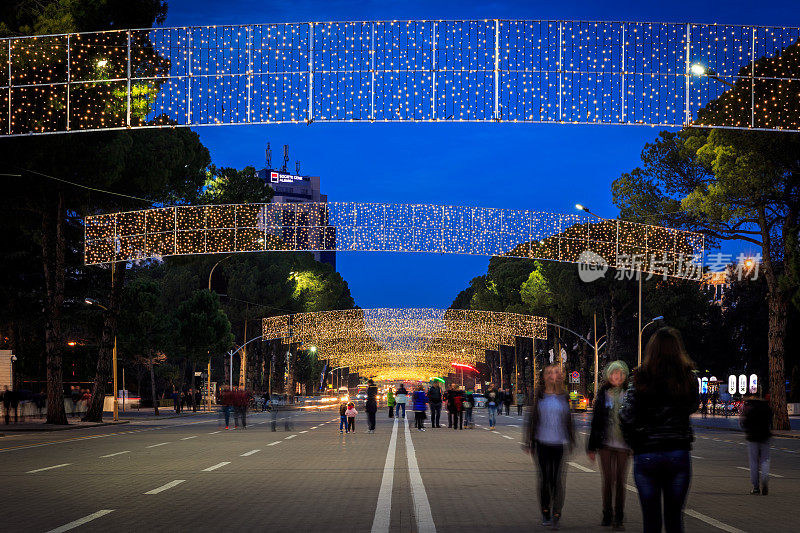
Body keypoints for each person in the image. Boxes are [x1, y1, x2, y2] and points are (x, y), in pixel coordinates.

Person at [620, 327, 698, 533]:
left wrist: (633, 441)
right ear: (677, 349)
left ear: (651, 350)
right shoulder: (688, 377)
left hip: (646, 453)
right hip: (677, 452)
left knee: (651, 521)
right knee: (674, 520)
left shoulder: (640, 377)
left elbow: (625, 415)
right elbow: (693, 406)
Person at [523, 364, 574, 529]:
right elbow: (531, 419)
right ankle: (545, 511)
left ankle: (556, 513)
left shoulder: (565, 395)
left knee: (557, 480)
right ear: (544, 376)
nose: (553, 375)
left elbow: (569, 420)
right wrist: (529, 441)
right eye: (550, 373)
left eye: (557, 372)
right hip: (542, 442)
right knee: (545, 479)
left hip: (560, 443)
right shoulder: (538, 394)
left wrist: (572, 439)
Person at [587, 360, 632, 530]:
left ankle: (619, 516)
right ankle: (607, 513)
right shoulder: (602, 394)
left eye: (621, 373)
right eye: (614, 373)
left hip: (623, 444)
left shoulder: (629, 394)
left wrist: (634, 443)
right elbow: (596, 422)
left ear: (625, 376)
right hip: (605, 443)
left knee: (621, 481)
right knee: (608, 480)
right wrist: (591, 447)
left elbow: (634, 420)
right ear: (608, 375)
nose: (617, 376)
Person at [740, 394, 772, 495]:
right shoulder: (766, 407)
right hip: (765, 436)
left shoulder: (749, 408)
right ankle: (765, 477)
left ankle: (756, 487)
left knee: (754, 462)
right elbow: (770, 420)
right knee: (765, 459)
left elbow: (744, 423)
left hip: (752, 437)